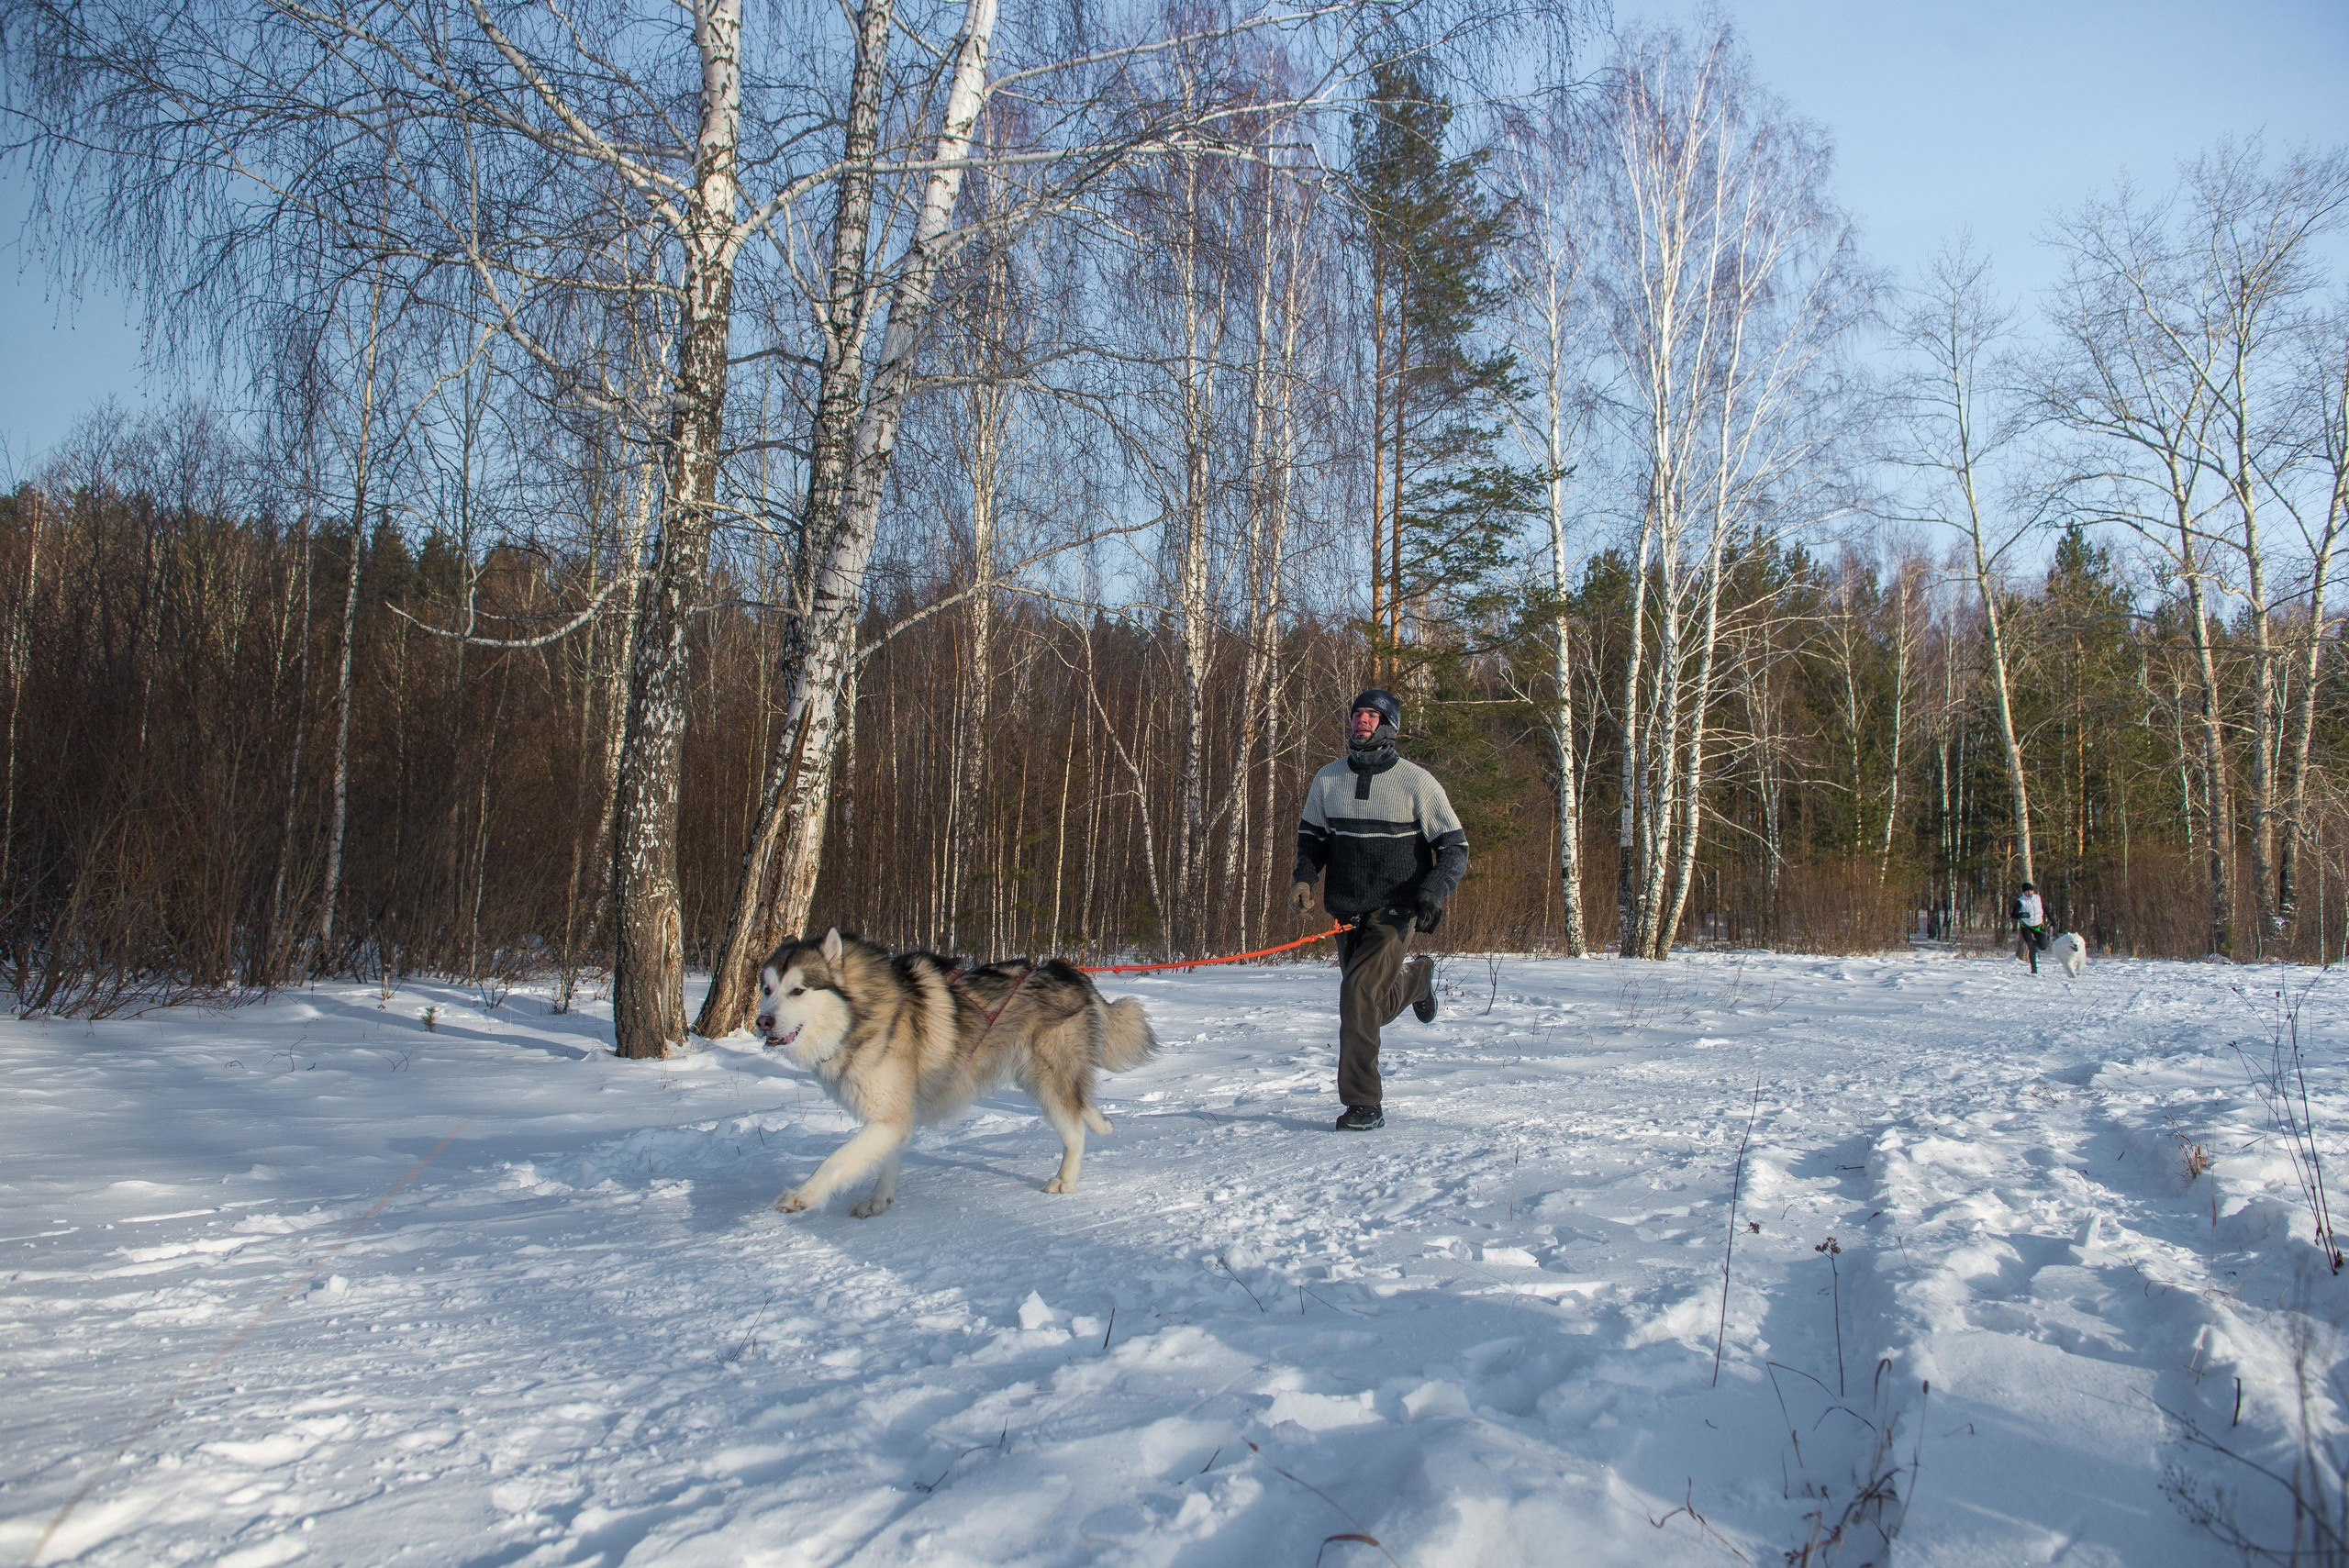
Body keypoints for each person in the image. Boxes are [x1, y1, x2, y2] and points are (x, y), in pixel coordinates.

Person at [1289, 689, 1469, 1131]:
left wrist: (1432, 892)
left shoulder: (1417, 782)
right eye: (1357, 714)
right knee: (1370, 1004)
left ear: (1389, 726)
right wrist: (1304, 878)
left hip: (1396, 910)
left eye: (1372, 715)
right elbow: (1312, 839)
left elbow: (1454, 849)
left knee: (1356, 998)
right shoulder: (1327, 779)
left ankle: (1363, 1103)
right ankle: (1417, 980)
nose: (1361, 721)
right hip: (1347, 911)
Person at [2011, 882, 2050, 973]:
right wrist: (2022, 915)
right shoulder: (2020, 901)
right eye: (2027, 891)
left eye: (2031, 891)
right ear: (2023, 892)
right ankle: (2034, 969)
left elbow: (2046, 909)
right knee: (2031, 945)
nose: (2029, 893)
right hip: (2026, 926)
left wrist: (2052, 919)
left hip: (2039, 924)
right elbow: (2013, 915)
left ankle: (2034, 944)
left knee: (2043, 946)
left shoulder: (2038, 898)